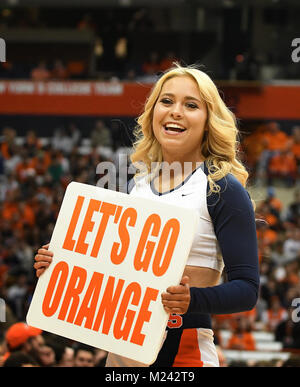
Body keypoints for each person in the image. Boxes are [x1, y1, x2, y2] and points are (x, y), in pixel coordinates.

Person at [33, 63, 259, 367]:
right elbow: (108, 274)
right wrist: (60, 265)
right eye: (166, 101)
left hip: (184, 348)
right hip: (120, 350)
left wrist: (193, 300)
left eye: (191, 105)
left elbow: (247, 289)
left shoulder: (222, 188)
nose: (175, 111)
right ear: (153, 113)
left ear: (208, 121)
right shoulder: (134, 185)